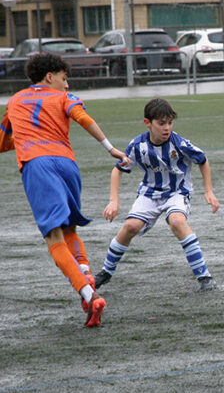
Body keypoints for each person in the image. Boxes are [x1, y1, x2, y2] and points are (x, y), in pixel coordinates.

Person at [0, 52, 129, 327]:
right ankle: (85, 271)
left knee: (53, 236)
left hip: (38, 166)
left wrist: (24, 137)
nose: (66, 85)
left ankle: (89, 294)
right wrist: (111, 149)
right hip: (67, 164)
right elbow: (82, 118)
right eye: (64, 78)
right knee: (70, 229)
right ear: (50, 77)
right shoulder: (62, 99)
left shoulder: (15, 100)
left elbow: (2, 141)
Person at [97, 98, 219, 292]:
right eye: (161, 123)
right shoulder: (138, 145)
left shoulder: (179, 144)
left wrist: (209, 191)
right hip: (149, 193)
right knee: (130, 226)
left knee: (177, 222)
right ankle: (105, 273)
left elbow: (202, 160)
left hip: (178, 192)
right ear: (148, 123)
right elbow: (118, 170)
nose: (167, 128)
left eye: (170, 123)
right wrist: (114, 200)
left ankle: (205, 277)